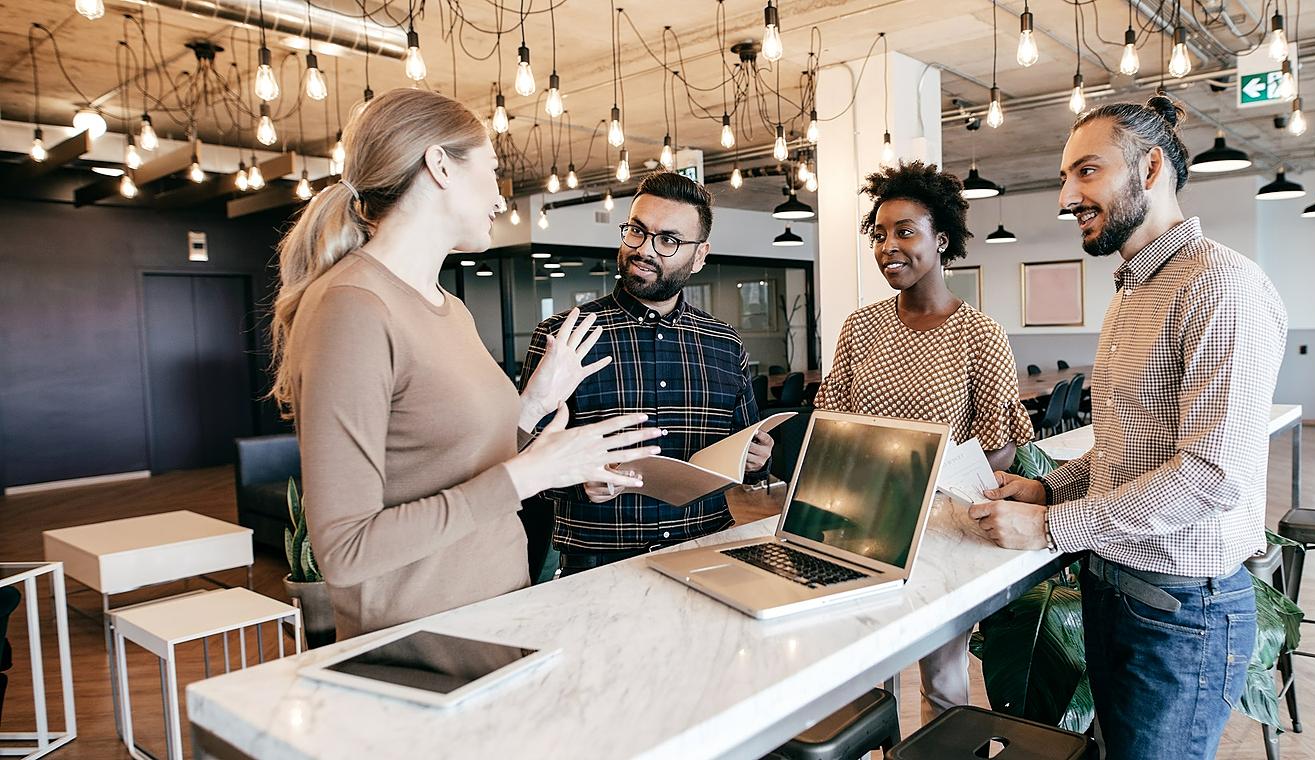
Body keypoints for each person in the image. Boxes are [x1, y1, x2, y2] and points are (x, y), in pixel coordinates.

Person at [270, 88, 663, 639]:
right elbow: (347, 550)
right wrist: (532, 473)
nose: (502, 199)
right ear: (439, 166)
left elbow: (452, 463)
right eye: (493, 169)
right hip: (423, 643)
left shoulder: (447, 306)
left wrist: (535, 407)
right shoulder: (353, 307)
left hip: (495, 616)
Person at [971, 94, 1287, 759]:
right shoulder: (1132, 292)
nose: (1066, 196)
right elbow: (1123, 448)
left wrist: (1051, 527)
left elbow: (1208, 477)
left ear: (1149, 170)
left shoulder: (1221, 287)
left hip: (1181, 616)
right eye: (1066, 177)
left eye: (1086, 172)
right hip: (1115, 595)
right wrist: (1050, 488)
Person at [814, 160, 1034, 720]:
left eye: (905, 231)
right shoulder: (860, 327)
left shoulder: (978, 332)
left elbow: (1001, 447)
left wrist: (924, 481)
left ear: (941, 239)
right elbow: (833, 424)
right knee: (866, 681)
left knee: (942, 683)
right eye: (880, 234)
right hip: (861, 525)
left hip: (942, 528)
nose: (889, 245)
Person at [517, 171, 772, 577]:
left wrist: (755, 460)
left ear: (700, 255)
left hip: (706, 550)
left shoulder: (724, 343)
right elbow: (523, 460)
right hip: (598, 565)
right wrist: (580, 481)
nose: (645, 249)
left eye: (668, 240)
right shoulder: (562, 337)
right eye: (636, 231)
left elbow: (741, 453)